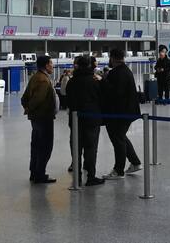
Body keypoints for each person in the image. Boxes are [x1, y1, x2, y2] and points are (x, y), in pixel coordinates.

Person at [101, 48, 142, 180]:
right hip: (128, 111)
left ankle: (119, 170)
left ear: (112, 58)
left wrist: (102, 81)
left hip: (119, 113)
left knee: (118, 139)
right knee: (121, 137)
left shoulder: (116, 73)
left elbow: (114, 93)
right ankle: (135, 162)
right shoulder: (126, 70)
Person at [65, 55, 105, 186]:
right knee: (91, 148)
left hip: (76, 120)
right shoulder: (94, 81)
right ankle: (91, 176)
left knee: (76, 148)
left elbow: (68, 100)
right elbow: (101, 98)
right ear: (89, 65)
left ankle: (77, 178)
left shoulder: (72, 81)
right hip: (92, 119)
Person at [21, 55, 57, 184]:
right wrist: (30, 109)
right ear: (46, 65)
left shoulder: (35, 77)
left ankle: (34, 172)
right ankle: (40, 174)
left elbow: (24, 98)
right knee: (45, 146)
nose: (52, 66)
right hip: (44, 118)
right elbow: (38, 100)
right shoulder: (43, 80)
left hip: (36, 119)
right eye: (51, 63)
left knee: (36, 145)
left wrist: (28, 109)